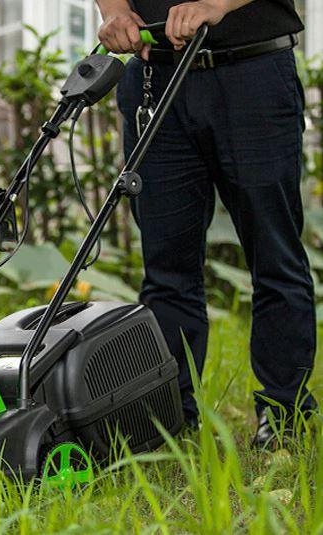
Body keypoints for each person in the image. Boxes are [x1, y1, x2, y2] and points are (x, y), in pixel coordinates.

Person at [96, 0, 316, 449]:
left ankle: (285, 412)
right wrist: (115, 10)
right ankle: (170, 420)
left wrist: (216, 4)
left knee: (275, 257)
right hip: (155, 81)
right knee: (165, 268)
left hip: (251, 72)